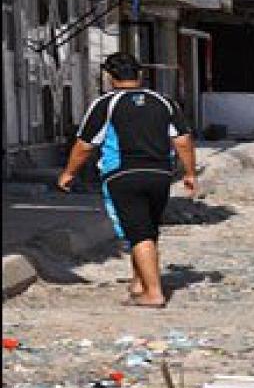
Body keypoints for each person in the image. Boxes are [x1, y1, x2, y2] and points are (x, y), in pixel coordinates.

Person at [56, 52, 197, 308]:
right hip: (160, 175)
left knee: (138, 231)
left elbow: (85, 145)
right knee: (146, 228)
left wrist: (69, 172)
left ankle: (153, 293)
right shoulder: (164, 102)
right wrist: (189, 173)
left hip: (122, 174)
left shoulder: (104, 104)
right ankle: (139, 282)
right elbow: (183, 140)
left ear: (109, 77)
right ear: (140, 74)